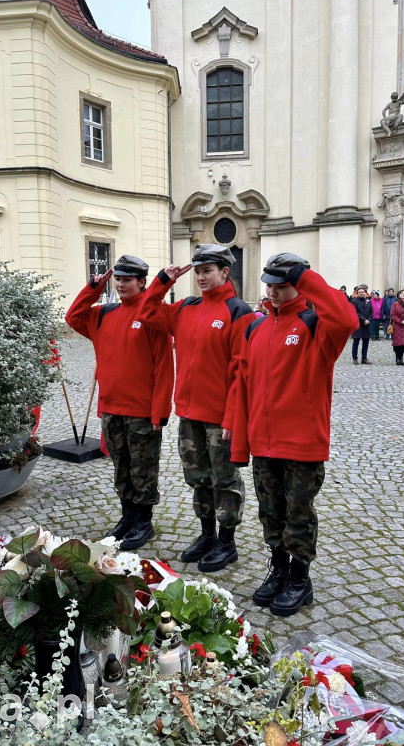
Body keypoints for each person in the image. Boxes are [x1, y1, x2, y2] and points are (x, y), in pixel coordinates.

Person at [231, 253, 358, 616]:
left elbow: (347, 317)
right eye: (269, 285)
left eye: (281, 285)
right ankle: (279, 569)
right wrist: (243, 440)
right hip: (263, 442)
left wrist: (306, 277)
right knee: (271, 513)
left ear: (297, 285)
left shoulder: (316, 323)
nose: (272, 292)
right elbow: (245, 386)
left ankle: (300, 579)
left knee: (298, 514)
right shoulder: (256, 328)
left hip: (302, 444)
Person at [139, 244, 254, 572]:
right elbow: (146, 312)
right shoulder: (186, 308)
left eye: (208, 270)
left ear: (224, 272)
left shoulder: (238, 311)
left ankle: (227, 542)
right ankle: (207, 535)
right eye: (198, 271)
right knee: (199, 480)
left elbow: (241, 370)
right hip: (189, 414)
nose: (201, 277)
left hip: (221, 419)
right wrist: (163, 281)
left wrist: (234, 417)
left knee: (225, 482)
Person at [65, 255, 174, 550]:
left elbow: (164, 367)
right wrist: (92, 288)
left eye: (129, 279)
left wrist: (160, 411)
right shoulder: (103, 314)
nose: (122, 284)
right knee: (121, 468)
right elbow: (73, 317)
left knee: (143, 469)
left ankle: (143, 523)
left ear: (142, 282)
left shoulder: (153, 315)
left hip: (141, 411)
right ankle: (127, 517)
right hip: (111, 408)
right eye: (119, 279)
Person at [350, 286, 373, 364]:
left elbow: (371, 312)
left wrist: (369, 320)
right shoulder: (354, 301)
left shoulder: (368, 301)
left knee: (366, 342)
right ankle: (355, 358)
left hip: (367, 324)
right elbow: (355, 312)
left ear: (365, 293)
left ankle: (364, 358)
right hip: (358, 324)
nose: (361, 293)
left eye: (363, 292)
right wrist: (364, 320)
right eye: (360, 292)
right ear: (357, 293)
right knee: (356, 341)